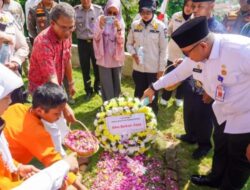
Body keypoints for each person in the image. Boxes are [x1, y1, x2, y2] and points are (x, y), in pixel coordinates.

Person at [143, 16, 250, 190]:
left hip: (246, 120)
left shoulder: (241, 50)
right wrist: (152, 87)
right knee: (221, 149)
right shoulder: (197, 55)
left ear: (203, 45)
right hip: (223, 112)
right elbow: (178, 74)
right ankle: (215, 178)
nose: (186, 58)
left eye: (186, 53)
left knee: (238, 160)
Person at [0, 64, 79, 190]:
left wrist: (19, 167)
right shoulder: (35, 132)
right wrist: (80, 186)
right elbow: (53, 160)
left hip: (12, 167)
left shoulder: (18, 107)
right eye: (56, 114)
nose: (59, 117)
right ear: (40, 111)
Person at [175, 0, 225, 160]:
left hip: (208, 84)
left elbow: (221, 65)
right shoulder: (193, 24)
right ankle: (191, 135)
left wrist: (211, 91)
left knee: (203, 115)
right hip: (192, 78)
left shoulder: (217, 30)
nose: (194, 10)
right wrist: (183, 62)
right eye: (194, 7)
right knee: (189, 109)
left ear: (212, 6)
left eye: (199, 7)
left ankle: (204, 144)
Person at [28, 2, 76, 123]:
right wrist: (65, 106)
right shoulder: (43, 42)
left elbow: (67, 58)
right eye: (64, 27)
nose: (68, 32)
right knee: (47, 128)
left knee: (59, 126)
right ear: (52, 23)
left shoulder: (67, 35)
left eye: (71, 27)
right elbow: (50, 78)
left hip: (56, 86)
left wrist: (70, 82)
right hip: (42, 92)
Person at [126, 0, 167, 114]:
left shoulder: (160, 26)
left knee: (152, 95)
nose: (145, 15)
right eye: (142, 12)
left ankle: (151, 117)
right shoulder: (135, 25)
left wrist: (161, 69)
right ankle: (137, 115)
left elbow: (164, 50)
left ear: (153, 11)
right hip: (138, 68)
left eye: (148, 12)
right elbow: (128, 44)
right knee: (138, 93)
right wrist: (133, 54)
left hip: (153, 69)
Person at [159, 0, 193, 107]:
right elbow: (168, 32)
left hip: (187, 54)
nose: (188, 8)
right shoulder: (175, 16)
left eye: (191, 6)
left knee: (184, 76)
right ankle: (165, 97)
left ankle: (179, 97)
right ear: (184, 5)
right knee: (170, 75)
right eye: (186, 5)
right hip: (172, 52)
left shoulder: (195, 20)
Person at [93, 0, 125, 101]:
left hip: (116, 57)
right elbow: (96, 37)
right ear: (105, 10)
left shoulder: (120, 22)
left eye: (115, 13)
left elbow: (121, 41)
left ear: (119, 12)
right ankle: (107, 105)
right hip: (103, 57)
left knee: (117, 83)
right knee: (106, 83)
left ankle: (116, 105)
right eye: (109, 12)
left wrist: (119, 29)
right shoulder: (100, 19)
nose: (111, 15)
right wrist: (101, 26)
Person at [0, 0, 29, 104]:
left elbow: (23, 47)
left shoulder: (8, 18)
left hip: (11, 80)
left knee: (15, 116)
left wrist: (15, 62)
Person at [75, 0, 103, 100]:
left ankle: (97, 87)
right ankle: (88, 90)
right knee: (85, 67)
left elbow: (103, 27)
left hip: (95, 42)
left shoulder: (98, 10)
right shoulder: (75, 11)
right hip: (82, 42)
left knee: (97, 66)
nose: (85, 1)